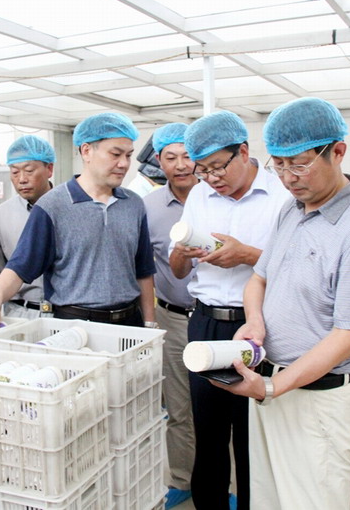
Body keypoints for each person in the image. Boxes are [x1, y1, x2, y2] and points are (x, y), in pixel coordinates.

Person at [216, 97, 350, 510]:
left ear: (338, 151)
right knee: (265, 499)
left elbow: (348, 336)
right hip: (271, 387)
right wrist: (255, 322)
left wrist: (273, 386)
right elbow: (259, 278)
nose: (287, 178)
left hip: (318, 402)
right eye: (278, 165)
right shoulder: (291, 210)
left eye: (298, 164)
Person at [169, 110, 290, 510]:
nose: (211, 178)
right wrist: (182, 253)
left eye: (218, 166)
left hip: (259, 327)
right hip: (206, 323)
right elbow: (178, 269)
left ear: (244, 151)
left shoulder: (282, 196)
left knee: (254, 433)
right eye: (202, 170)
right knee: (208, 432)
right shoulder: (199, 195)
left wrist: (246, 255)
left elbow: (296, 266)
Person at [0, 112, 156, 331]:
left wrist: (149, 323)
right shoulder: (52, 206)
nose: (123, 164)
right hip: (74, 324)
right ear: (86, 151)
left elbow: (143, 271)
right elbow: (20, 267)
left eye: (128, 155)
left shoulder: (133, 204)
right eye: (115, 154)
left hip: (129, 322)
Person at [142, 123, 197, 509]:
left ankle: (227, 483)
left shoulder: (219, 198)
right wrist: (150, 321)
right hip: (173, 318)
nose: (180, 165)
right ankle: (182, 478)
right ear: (159, 162)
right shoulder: (148, 208)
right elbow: (144, 269)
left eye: (187, 155)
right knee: (179, 407)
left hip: (222, 319)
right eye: (170, 157)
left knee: (226, 407)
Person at [0, 135, 55, 319]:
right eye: (15, 172)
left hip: (64, 314)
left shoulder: (69, 209)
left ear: (49, 169)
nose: (22, 179)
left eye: (29, 171)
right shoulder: (1, 216)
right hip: (19, 312)